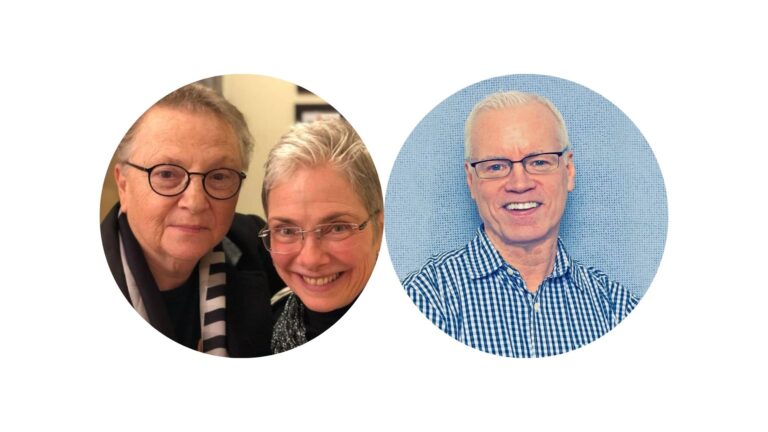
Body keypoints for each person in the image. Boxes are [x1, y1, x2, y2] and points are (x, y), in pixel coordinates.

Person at [403, 91, 639, 358]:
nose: (519, 184)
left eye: (539, 162)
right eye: (495, 167)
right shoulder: (427, 298)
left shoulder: (614, 308)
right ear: (471, 181)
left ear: (569, 171)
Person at [101, 83, 284, 357]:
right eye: (166, 174)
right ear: (124, 185)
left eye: (220, 176)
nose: (195, 202)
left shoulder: (259, 246)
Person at [259, 118, 383, 353]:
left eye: (337, 228)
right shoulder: (267, 322)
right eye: (286, 231)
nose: (311, 260)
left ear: (380, 226)